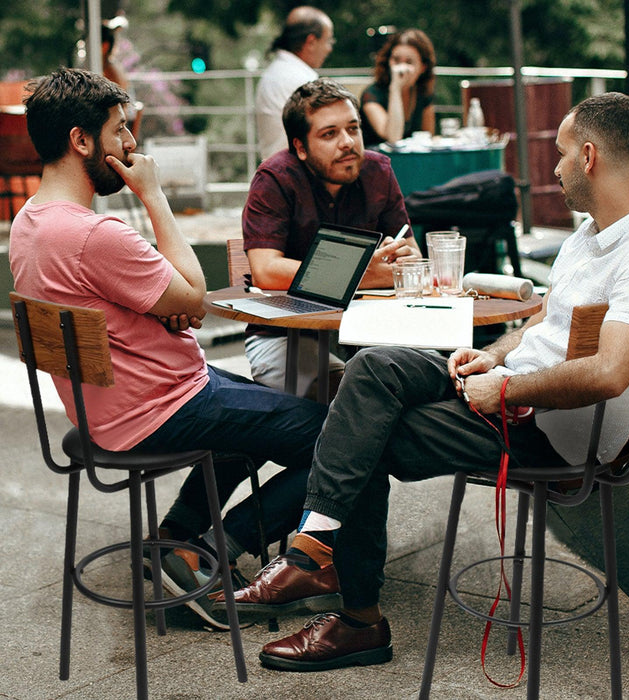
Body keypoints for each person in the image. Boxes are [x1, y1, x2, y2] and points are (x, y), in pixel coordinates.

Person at [216, 92, 629, 670]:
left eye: (563, 155)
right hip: (509, 388)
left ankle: (358, 619)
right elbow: (543, 324)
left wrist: (508, 389)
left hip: (550, 428)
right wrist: (493, 356)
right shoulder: (589, 235)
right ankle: (314, 546)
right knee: (374, 366)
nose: (556, 167)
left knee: (369, 431)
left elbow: (609, 372)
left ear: (590, 156)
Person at [9, 67, 332, 631]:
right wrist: (154, 196)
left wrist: (171, 302)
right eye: (119, 132)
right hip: (159, 407)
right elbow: (194, 298)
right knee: (335, 436)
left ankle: (174, 535)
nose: (133, 145)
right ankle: (215, 547)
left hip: (115, 406)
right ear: (81, 141)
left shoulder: (29, 223)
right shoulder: (94, 235)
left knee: (262, 408)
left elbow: (175, 301)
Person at [243, 77, 421, 398]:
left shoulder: (378, 171)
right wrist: (362, 277)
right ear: (299, 147)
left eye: (353, 129)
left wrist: (399, 261)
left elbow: (411, 255)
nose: (347, 142)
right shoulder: (274, 179)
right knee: (356, 396)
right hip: (285, 335)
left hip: (367, 329)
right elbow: (266, 271)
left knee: (430, 379)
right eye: (329, 134)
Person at [255, 6, 335, 161]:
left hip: (276, 168)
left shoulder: (276, 71)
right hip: (294, 174)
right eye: (328, 41)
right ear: (311, 41)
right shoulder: (302, 80)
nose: (329, 49)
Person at [360, 29, 436, 147]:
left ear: (423, 67)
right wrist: (395, 87)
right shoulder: (372, 94)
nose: (401, 68)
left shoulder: (423, 94)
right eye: (396, 60)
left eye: (409, 62)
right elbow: (393, 138)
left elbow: (427, 139)